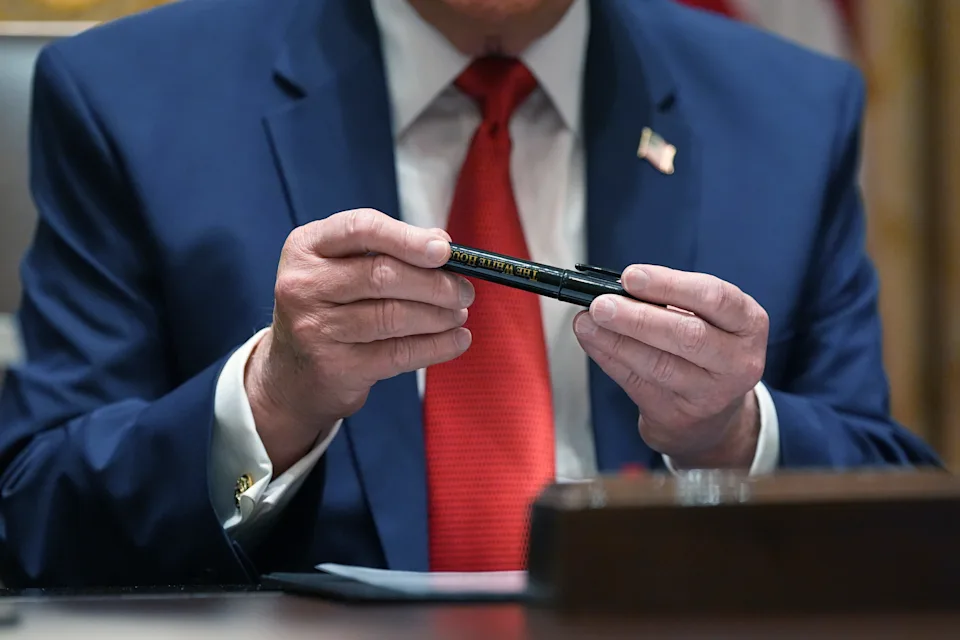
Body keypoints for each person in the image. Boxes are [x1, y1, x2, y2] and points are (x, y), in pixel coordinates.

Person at [0, 0, 941, 588]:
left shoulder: (788, 110)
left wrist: (730, 440)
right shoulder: (130, 97)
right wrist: (271, 402)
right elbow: (32, 522)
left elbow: (896, 526)